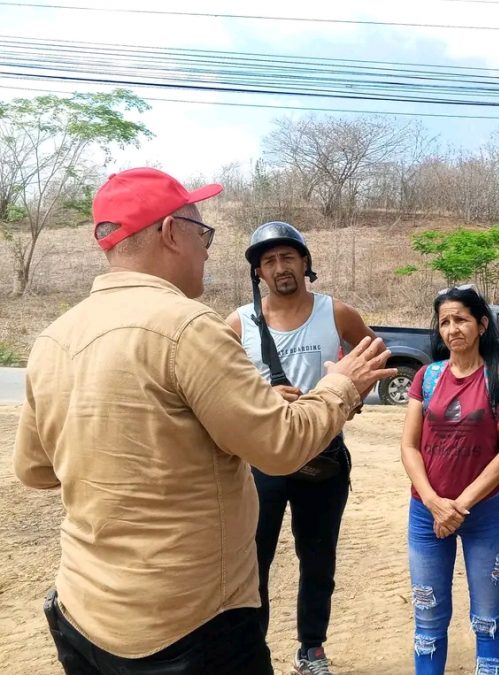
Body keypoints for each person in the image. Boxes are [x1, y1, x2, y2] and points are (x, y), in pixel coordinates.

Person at [12, 168, 395, 674]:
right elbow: (279, 445)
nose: (207, 248)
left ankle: (312, 644)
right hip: (189, 626)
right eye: (203, 232)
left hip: (83, 615)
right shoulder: (191, 327)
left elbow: (35, 470)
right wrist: (342, 385)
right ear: (172, 232)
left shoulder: (53, 338)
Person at [225, 221, 378, 675]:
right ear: (258, 273)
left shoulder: (336, 313)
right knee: (253, 561)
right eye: (268, 261)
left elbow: (373, 355)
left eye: (287, 257)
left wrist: (348, 395)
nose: (280, 267)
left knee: (317, 558)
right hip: (261, 462)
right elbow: (220, 389)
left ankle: (312, 650)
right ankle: (253, 652)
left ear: (305, 262)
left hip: (323, 459)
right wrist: (260, 397)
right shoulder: (237, 323)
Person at [400, 285, 499, 675]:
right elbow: (409, 446)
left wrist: (461, 504)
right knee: (428, 618)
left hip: (485, 514)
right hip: (426, 513)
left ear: (481, 324)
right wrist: (435, 501)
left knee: (488, 618)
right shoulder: (427, 376)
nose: (453, 329)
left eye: (461, 320)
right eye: (445, 322)